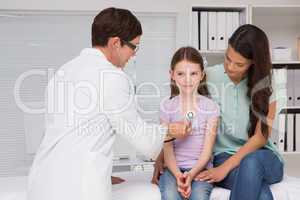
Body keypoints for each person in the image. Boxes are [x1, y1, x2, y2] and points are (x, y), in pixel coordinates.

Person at [27, 7, 191, 200]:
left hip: (43, 182)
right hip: (78, 189)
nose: (134, 54)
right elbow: (143, 139)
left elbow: (68, 133)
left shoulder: (64, 71)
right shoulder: (112, 77)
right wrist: (171, 130)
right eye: (134, 47)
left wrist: (102, 174)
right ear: (115, 43)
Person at [152, 24, 283, 200]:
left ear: (253, 63)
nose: (229, 67)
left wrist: (224, 169)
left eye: (239, 64)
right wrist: (163, 154)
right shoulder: (209, 76)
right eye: (227, 58)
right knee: (262, 195)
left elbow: (260, 137)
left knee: (251, 163)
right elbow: (181, 107)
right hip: (223, 155)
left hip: (261, 158)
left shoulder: (268, 84)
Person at [158, 47, 220, 200]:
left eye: (193, 73)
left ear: (202, 75)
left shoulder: (211, 107)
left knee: (199, 196)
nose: (187, 80)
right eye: (180, 74)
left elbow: (207, 152)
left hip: (200, 169)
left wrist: (191, 175)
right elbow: (168, 150)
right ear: (171, 75)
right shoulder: (167, 107)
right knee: (171, 196)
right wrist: (178, 175)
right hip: (173, 170)